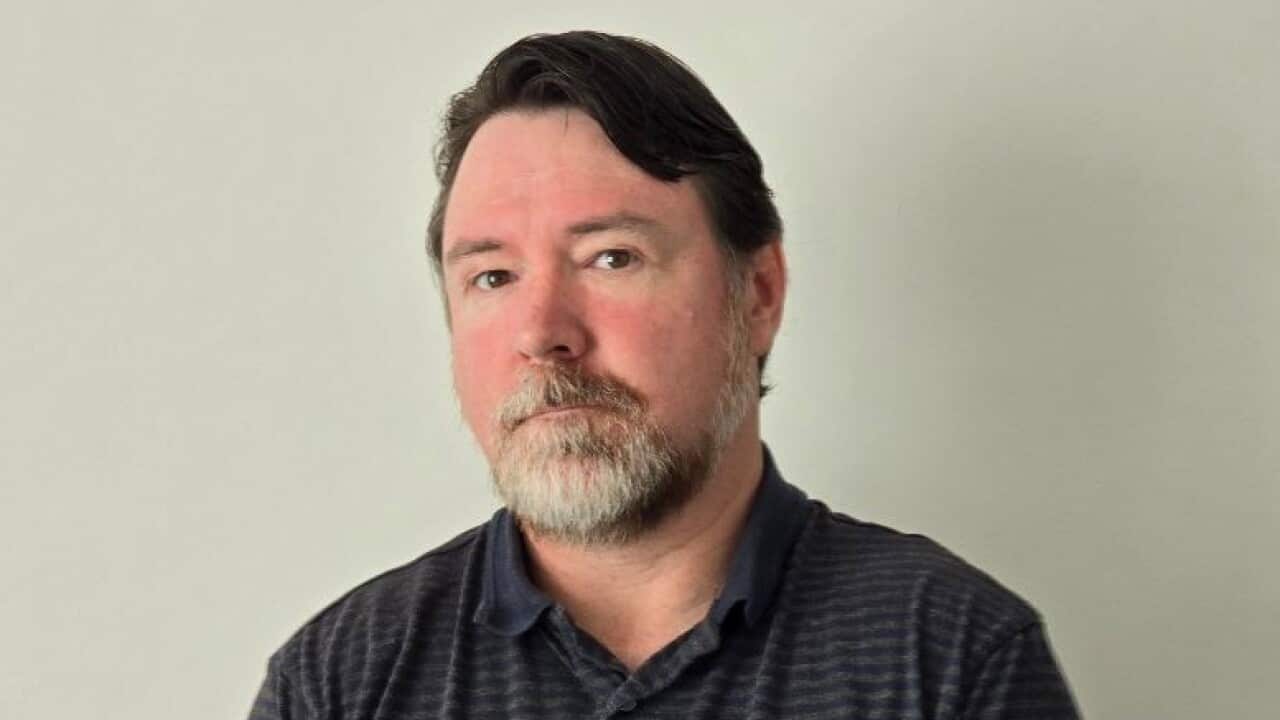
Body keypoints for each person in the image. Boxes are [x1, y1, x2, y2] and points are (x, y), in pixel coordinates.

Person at [249, 31, 1080, 719]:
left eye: (612, 257)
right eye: (492, 277)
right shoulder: (342, 681)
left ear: (756, 294)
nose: (542, 334)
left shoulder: (950, 655)